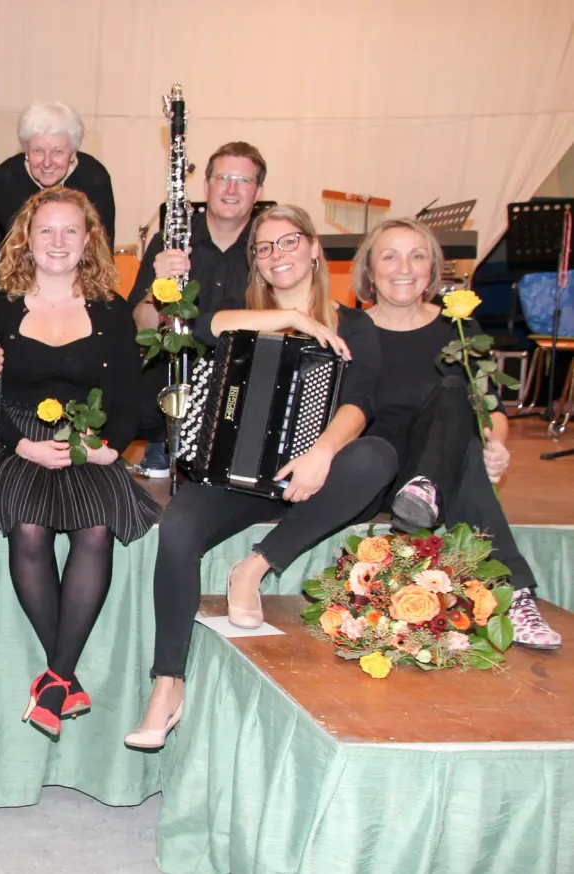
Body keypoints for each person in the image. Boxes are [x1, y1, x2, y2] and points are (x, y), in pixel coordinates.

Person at [126, 204, 397, 750]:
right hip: (239, 478)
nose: (278, 255)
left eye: (290, 242)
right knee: (177, 531)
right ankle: (167, 683)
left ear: (316, 247)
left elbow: (361, 401)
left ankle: (255, 566)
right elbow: (199, 325)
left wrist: (321, 453)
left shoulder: (356, 324)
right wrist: (290, 320)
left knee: (376, 457)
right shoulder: (240, 316)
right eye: (265, 248)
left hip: (315, 479)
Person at [0, 187, 161, 737]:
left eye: (70, 231)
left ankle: (56, 677)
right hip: (18, 441)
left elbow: (128, 395)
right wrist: (19, 442)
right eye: (46, 231)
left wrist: (112, 444)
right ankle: (65, 678)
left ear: (88, 241)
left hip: (90, 441)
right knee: (28, 530)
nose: (58, 242)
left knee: (97, 529)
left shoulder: (109, 308)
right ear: (27, 241)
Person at [352, 217, 561, 648]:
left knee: (454, 395)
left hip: (431, 482)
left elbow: (490, 410)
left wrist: (496, 441)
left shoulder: (458, 329)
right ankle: (516, 593)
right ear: (370, 271)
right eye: (389, 256)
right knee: (460, 446)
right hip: (378, 472)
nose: (403, 267)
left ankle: (426, 489)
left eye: (417, 255)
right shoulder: (350, 331)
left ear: (432, 269)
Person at [129, 141, 267, 478]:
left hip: (241, 395)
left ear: (259, 192)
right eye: (223, 177)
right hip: (173, 398)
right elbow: (140, 325)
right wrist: (160, 289)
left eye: (244, 181)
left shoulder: (268, 249)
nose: (232, 189)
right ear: (206, 185)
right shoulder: (168, 242)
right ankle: (164, 440)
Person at [0, 100, 116, 248]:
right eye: (37, 151)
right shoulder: (4, 179)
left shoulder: (94, 179)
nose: (47, 163)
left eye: (57, 152)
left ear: (72, 153)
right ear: (26, 151)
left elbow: (103, 249)